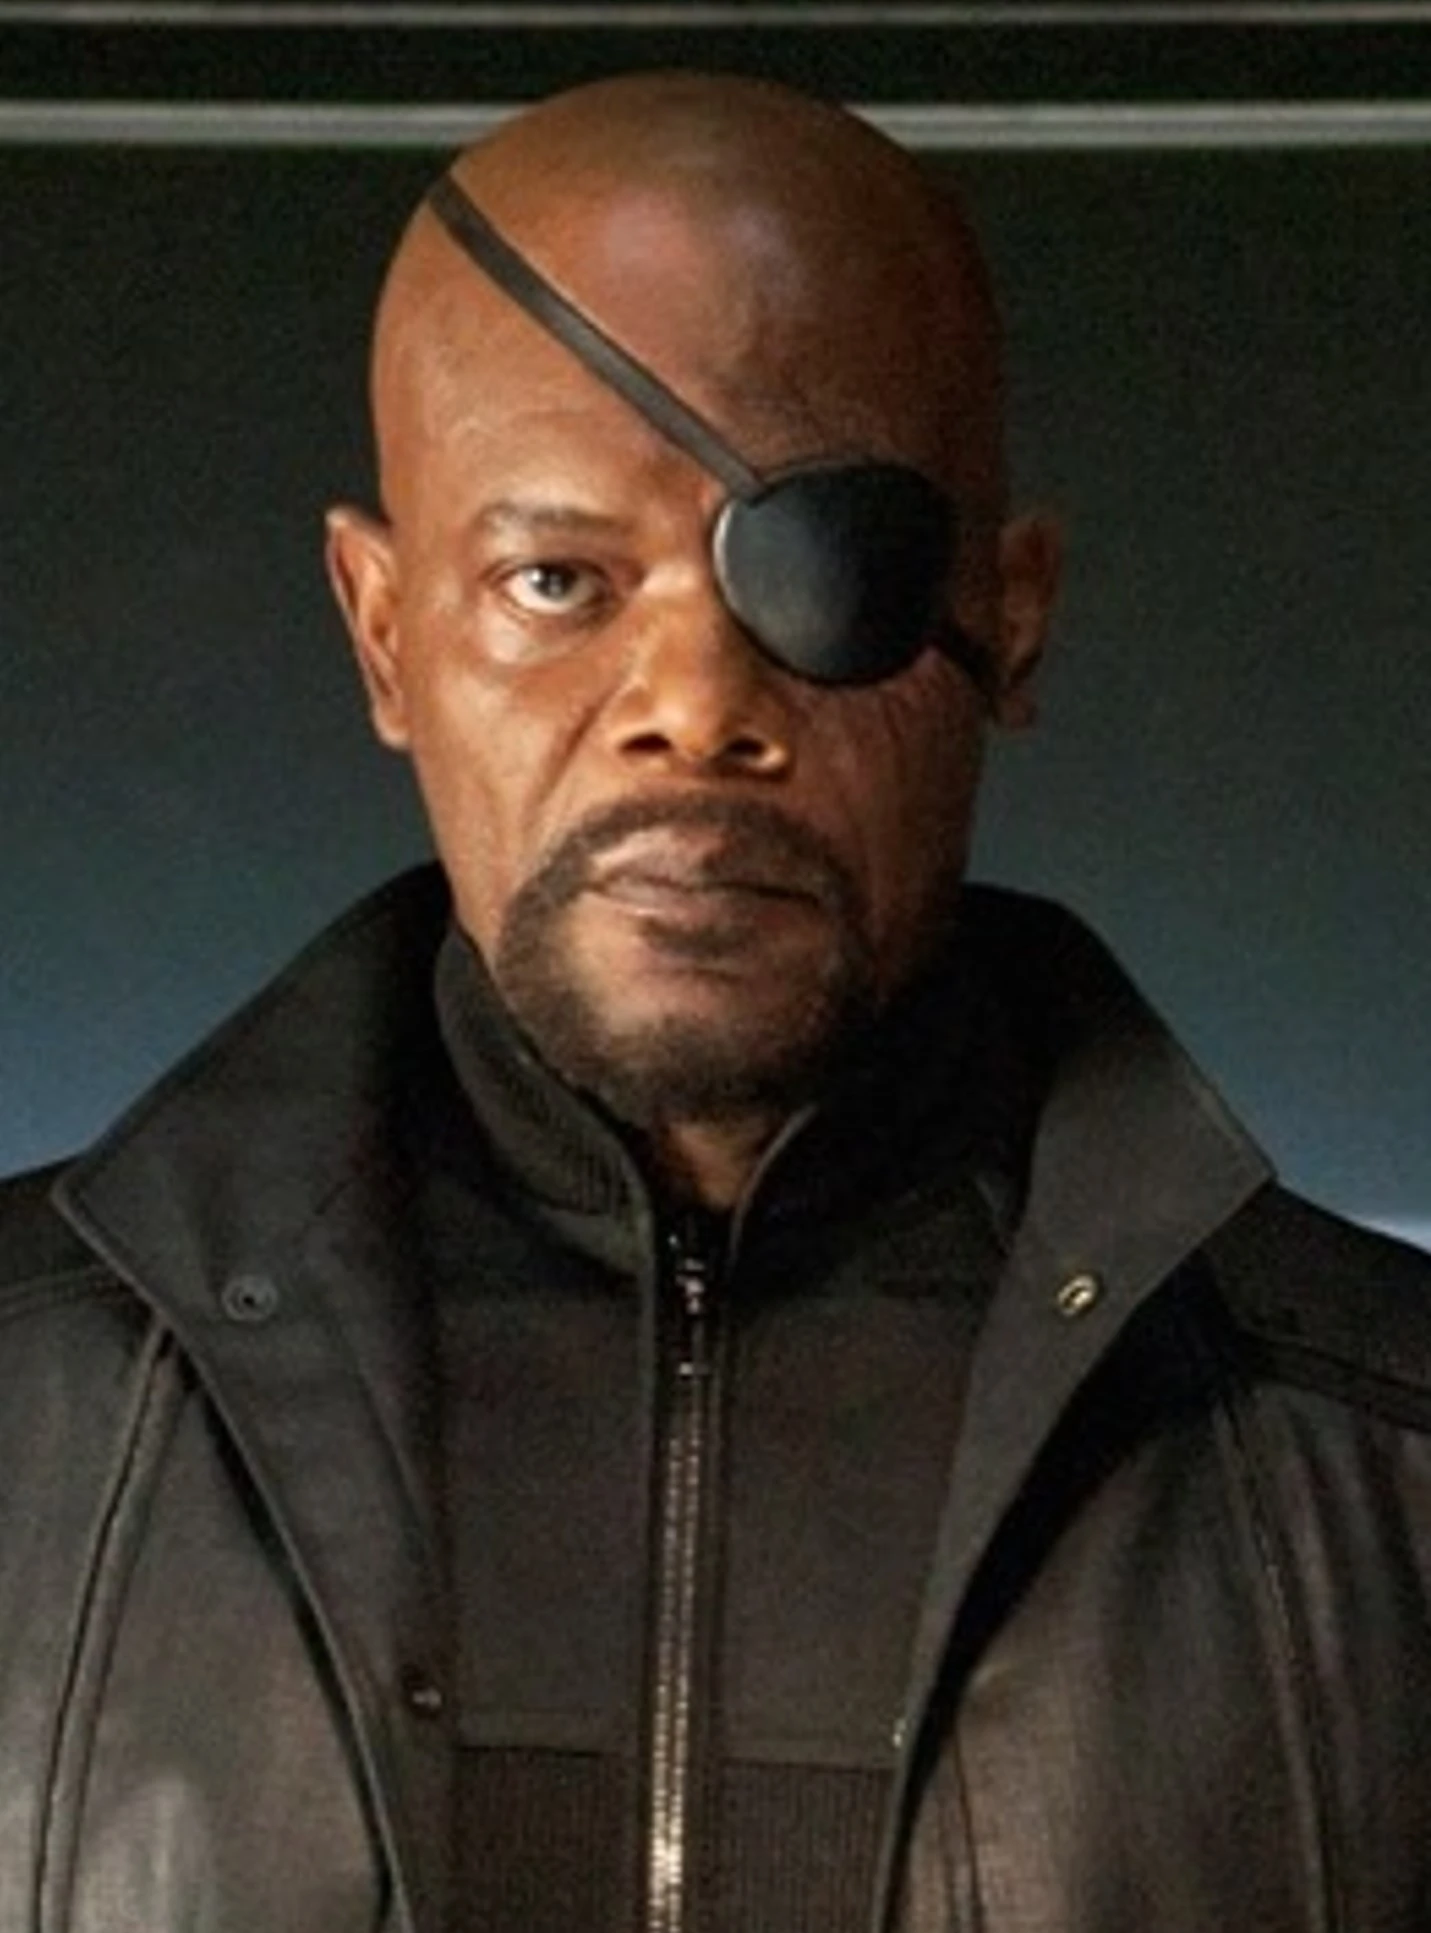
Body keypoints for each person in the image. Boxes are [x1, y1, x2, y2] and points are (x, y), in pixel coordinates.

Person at [1, 69, 1428, 1933]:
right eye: (554, 580)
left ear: (1009, 618)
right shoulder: (26, 1419)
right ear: (383, 629)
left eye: (819, 574)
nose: (695, 705)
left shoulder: (1384, 1447)